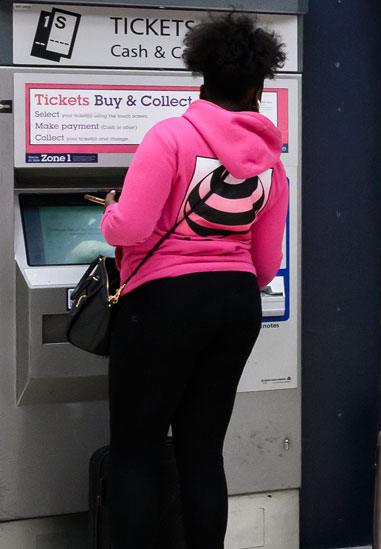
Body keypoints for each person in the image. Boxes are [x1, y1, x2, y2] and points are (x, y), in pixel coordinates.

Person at [99, 13, 288, 548]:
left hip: (164, 302)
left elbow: (131, 226)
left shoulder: (171, 137)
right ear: (258, 84)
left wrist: (109, 215)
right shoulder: (271, 163)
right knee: (202, 451)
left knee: (136, 449)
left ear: (200, 74)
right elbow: (267, 263)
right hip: (234, 304)